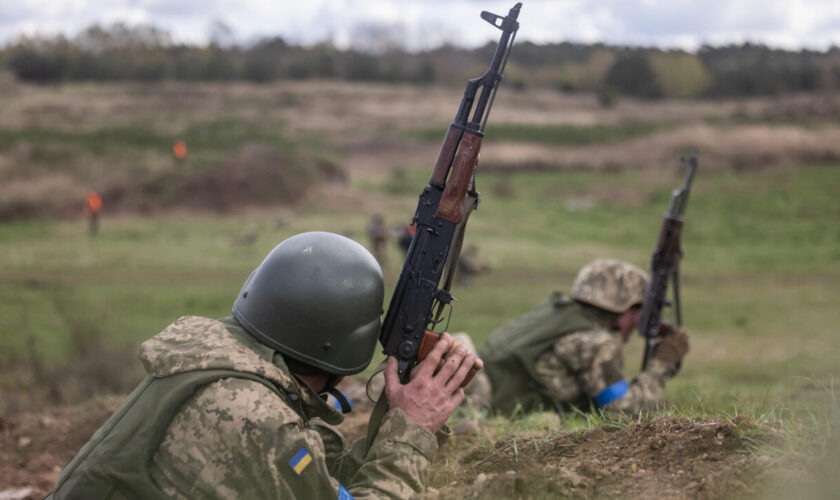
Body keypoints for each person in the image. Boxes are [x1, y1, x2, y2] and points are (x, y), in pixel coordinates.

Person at [48, 232, 478, 499]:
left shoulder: (222, 364)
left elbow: (328, 488)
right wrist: (413, 431)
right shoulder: (256, 417)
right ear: (344, 348)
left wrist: (395, 418)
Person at [474, 258, 689, 414]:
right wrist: (661, 366)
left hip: (480, 393)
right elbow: (623, 411)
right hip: (492, 409)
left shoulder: (557, 312)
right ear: (621, 308)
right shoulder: (596, 343)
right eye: (637, 312)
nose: (637, 322)